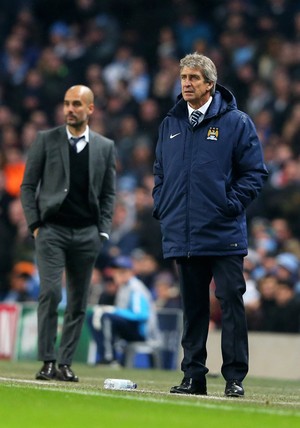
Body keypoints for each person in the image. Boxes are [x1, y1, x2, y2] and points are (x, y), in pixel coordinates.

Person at [152, 53, 268, 397]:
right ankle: (193, 376)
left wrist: (229, 204)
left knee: (231, 300)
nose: (186, 83)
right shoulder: (170, 124)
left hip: (223, 230)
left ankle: (234, 377)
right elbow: (160, 173)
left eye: (193, 78)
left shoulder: (236, 122)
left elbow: (255, 173)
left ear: (210, 84)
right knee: (193, 306)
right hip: (184, 231)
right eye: (183, 77)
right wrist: (163, 205)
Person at [20, 85, 116, 382]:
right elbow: (27, 186)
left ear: (90, 109)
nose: (69, 109)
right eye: (66, 104)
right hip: (52, 230)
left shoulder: (104, 146)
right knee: (50, 292)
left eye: (76, 104)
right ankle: (47, 360)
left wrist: (102, 231)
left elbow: (108, 194)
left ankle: (65, 363)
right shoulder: (45, 140)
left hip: (87, 233)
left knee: (78, 302)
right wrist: (35, 224)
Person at [88, 255, 160, 366]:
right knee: (93, 316)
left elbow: (141, 315)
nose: (116, 275)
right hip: (131, 327)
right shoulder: (123, 287)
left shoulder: (135, 288)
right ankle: (103, 355)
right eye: (116, 272)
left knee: (106, 317)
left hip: (142, 331)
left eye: (121, 272)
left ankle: (110, 358)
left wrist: (114, 310)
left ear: (130, 272)